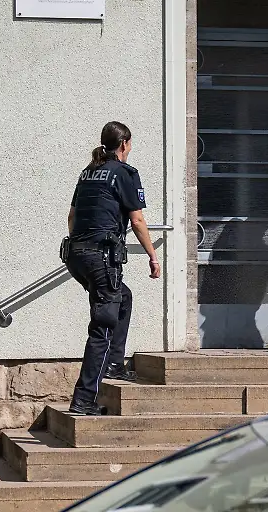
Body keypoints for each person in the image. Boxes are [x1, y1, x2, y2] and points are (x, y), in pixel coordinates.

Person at [64, 121, 161, 416]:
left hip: (77, 254)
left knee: (123, 298)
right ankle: (83, 399)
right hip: (99, 256)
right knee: (102, 326)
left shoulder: (88, 172)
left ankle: (115, 364)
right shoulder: (125, 173)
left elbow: (72, 217)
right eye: (130, 145)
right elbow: (138, 221)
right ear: (124, 144)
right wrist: (153, 257)